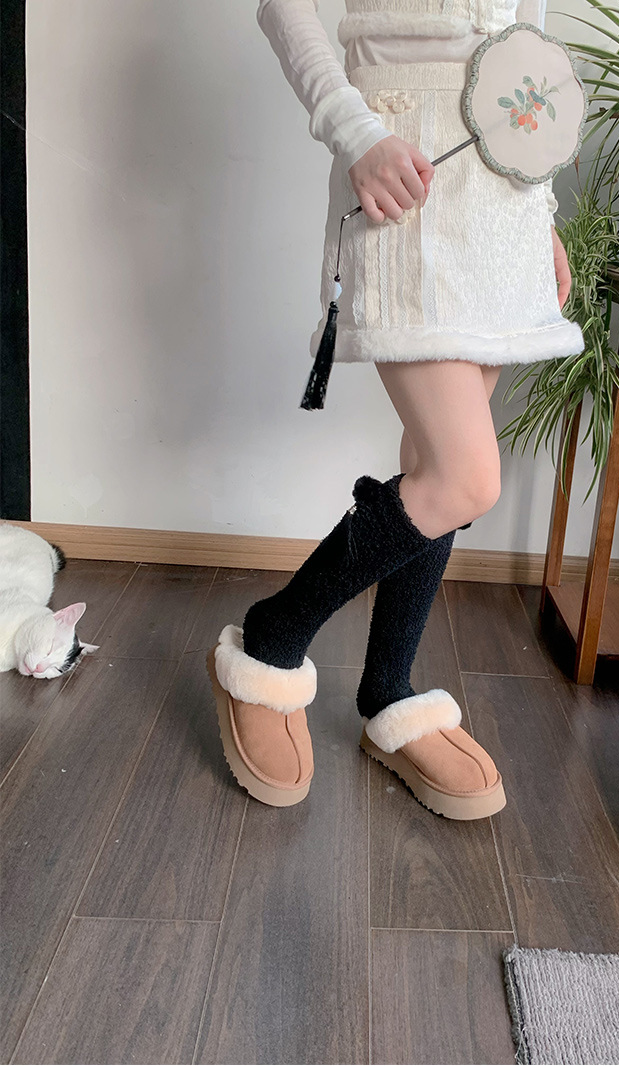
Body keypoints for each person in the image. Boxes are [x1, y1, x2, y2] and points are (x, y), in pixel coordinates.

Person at [207, 0, 585, 820]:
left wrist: (541, 204)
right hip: (403, 167)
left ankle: (388, 690)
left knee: (433, 465)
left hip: (502, 198)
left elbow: (525, 46)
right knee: (464, 477)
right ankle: (273, 638)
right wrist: (355, 133)